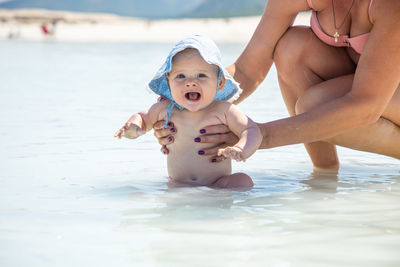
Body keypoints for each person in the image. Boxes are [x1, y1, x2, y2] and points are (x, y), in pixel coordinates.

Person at [154, 0, 400, 169]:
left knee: (316, 104)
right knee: (291, 47)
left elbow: (367, 103)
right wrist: (178, 108)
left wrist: (260, 135)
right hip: (374, 91)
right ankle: (324, 176)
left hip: (379, 95)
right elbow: (248, 70)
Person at [114, 35, 262, 188]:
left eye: (201, 75)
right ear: (169, 80)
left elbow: (250, 129)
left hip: (218, 184)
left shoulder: (224, 110)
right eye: (181, 76)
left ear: (220, 82)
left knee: (243, 181)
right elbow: (142, 118)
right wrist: (133, 127)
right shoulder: (165, 109)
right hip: (178, 184)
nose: (190, 82)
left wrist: (241, 148)